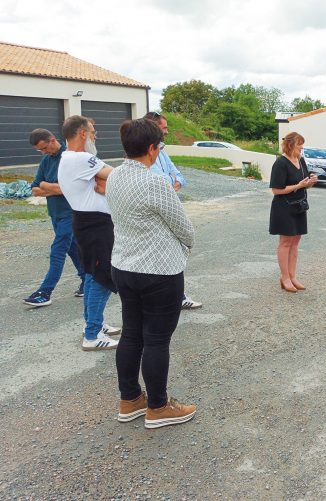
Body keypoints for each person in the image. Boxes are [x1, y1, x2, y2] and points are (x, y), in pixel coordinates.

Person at [106, 118, 197, 429]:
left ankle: (130, 399)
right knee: (157, 338)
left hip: (123, 266)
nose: (159, 152)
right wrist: (187, 246)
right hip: (158, 271)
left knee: (132, 333)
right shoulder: (154, 181)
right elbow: (182, 225)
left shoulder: (114, 176)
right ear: (150, 148)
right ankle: (158, 406)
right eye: (159, 147)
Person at [57, 116, 120, 351]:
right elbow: (116, 175)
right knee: (102, 276)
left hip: (88, 222)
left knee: (93, 274)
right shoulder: (81, 158)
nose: (95, 136)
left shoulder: (67, 158)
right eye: (93, 132)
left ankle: (94, 324)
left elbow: (101, 184)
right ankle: (92, 334)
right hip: (95, 225)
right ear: (82, 133)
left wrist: (103, 186)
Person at [143, 111, 201, 310]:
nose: (167, 131)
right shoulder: (145, 153)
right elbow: (160, 179)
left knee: (175, 253)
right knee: (159, 256)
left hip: (171, 204)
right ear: (153, 127)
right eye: (164, 128)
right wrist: (171, 182)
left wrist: (172, 181)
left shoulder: (162, 150)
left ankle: (179, 296)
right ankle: (163, 299)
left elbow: (178, 175)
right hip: (158, 212)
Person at [22, 129, 85, 307]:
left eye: (44, 148)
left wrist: (47, 187)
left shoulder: (69, 158)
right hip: (55, 214)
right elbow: (34, 188)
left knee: (57, 252)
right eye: (39, 150)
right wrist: (51, 187)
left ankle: (45, 292)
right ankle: (86, 280)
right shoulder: (46, 161)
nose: (43, 152)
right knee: (72, 248)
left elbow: (66, 188)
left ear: (51, 140)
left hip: (70, 214)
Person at [269, 132, 317, 293]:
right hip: (284, 207)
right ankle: (285, 277)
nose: (301, 149)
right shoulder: (280, 163)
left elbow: (304, 182)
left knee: (295, 243)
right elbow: (276, 190)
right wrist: (298, 186)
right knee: (285, 242)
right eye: (299, 146)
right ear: (290, 145)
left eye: (302, 146)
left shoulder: (301, 160)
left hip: (299, 207)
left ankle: (292, 276)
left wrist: (310, 182)